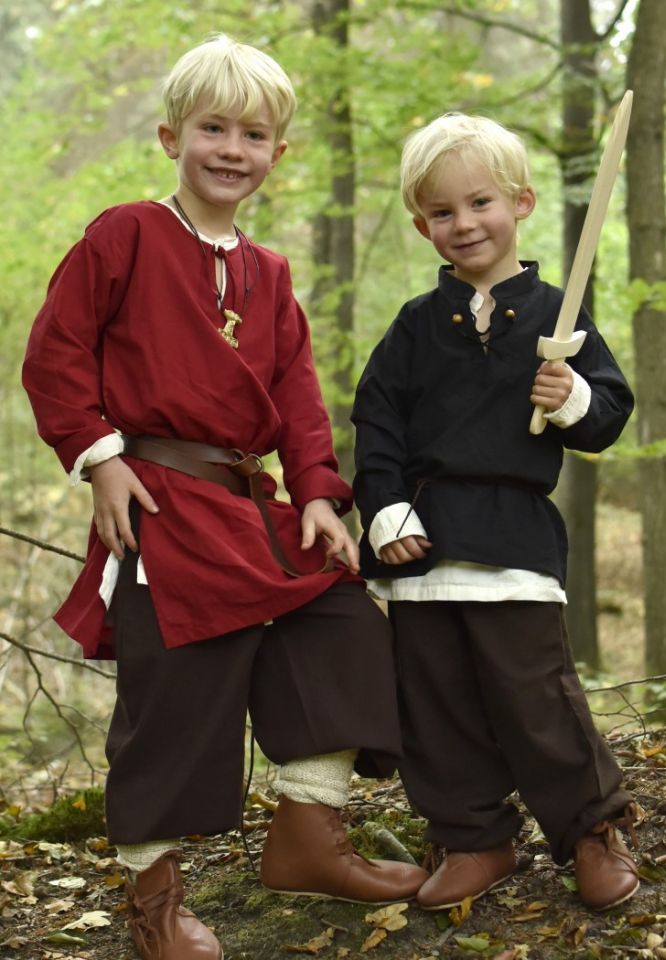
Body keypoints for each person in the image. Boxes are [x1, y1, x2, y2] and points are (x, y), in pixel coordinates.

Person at [23, 34, 427, 960]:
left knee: (345, 621)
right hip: (156, 502)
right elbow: (55, 357)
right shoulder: (123, 234)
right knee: (173, 692)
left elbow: (295, 395)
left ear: (277, 154)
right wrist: (100, 457)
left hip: (253, 506)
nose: (231, 149)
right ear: (173, 134)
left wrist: (322, 495)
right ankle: (155, 896)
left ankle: (308, 835)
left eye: (253, 133)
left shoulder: (272, 272)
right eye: (213, 127)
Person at [352, 111, 639, 914]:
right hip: (425, 541)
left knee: (535, 698)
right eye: (442, 212)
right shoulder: (414, 326)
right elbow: (375, 425)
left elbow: (610, 414)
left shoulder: (559, 313)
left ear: (521, 203)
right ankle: (475, 837)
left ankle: (590, 831)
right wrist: (382, 512)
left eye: (479, 203)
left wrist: (574, 394)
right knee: (436, 707)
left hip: (514, 540)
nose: (463, 224)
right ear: (421, 225)